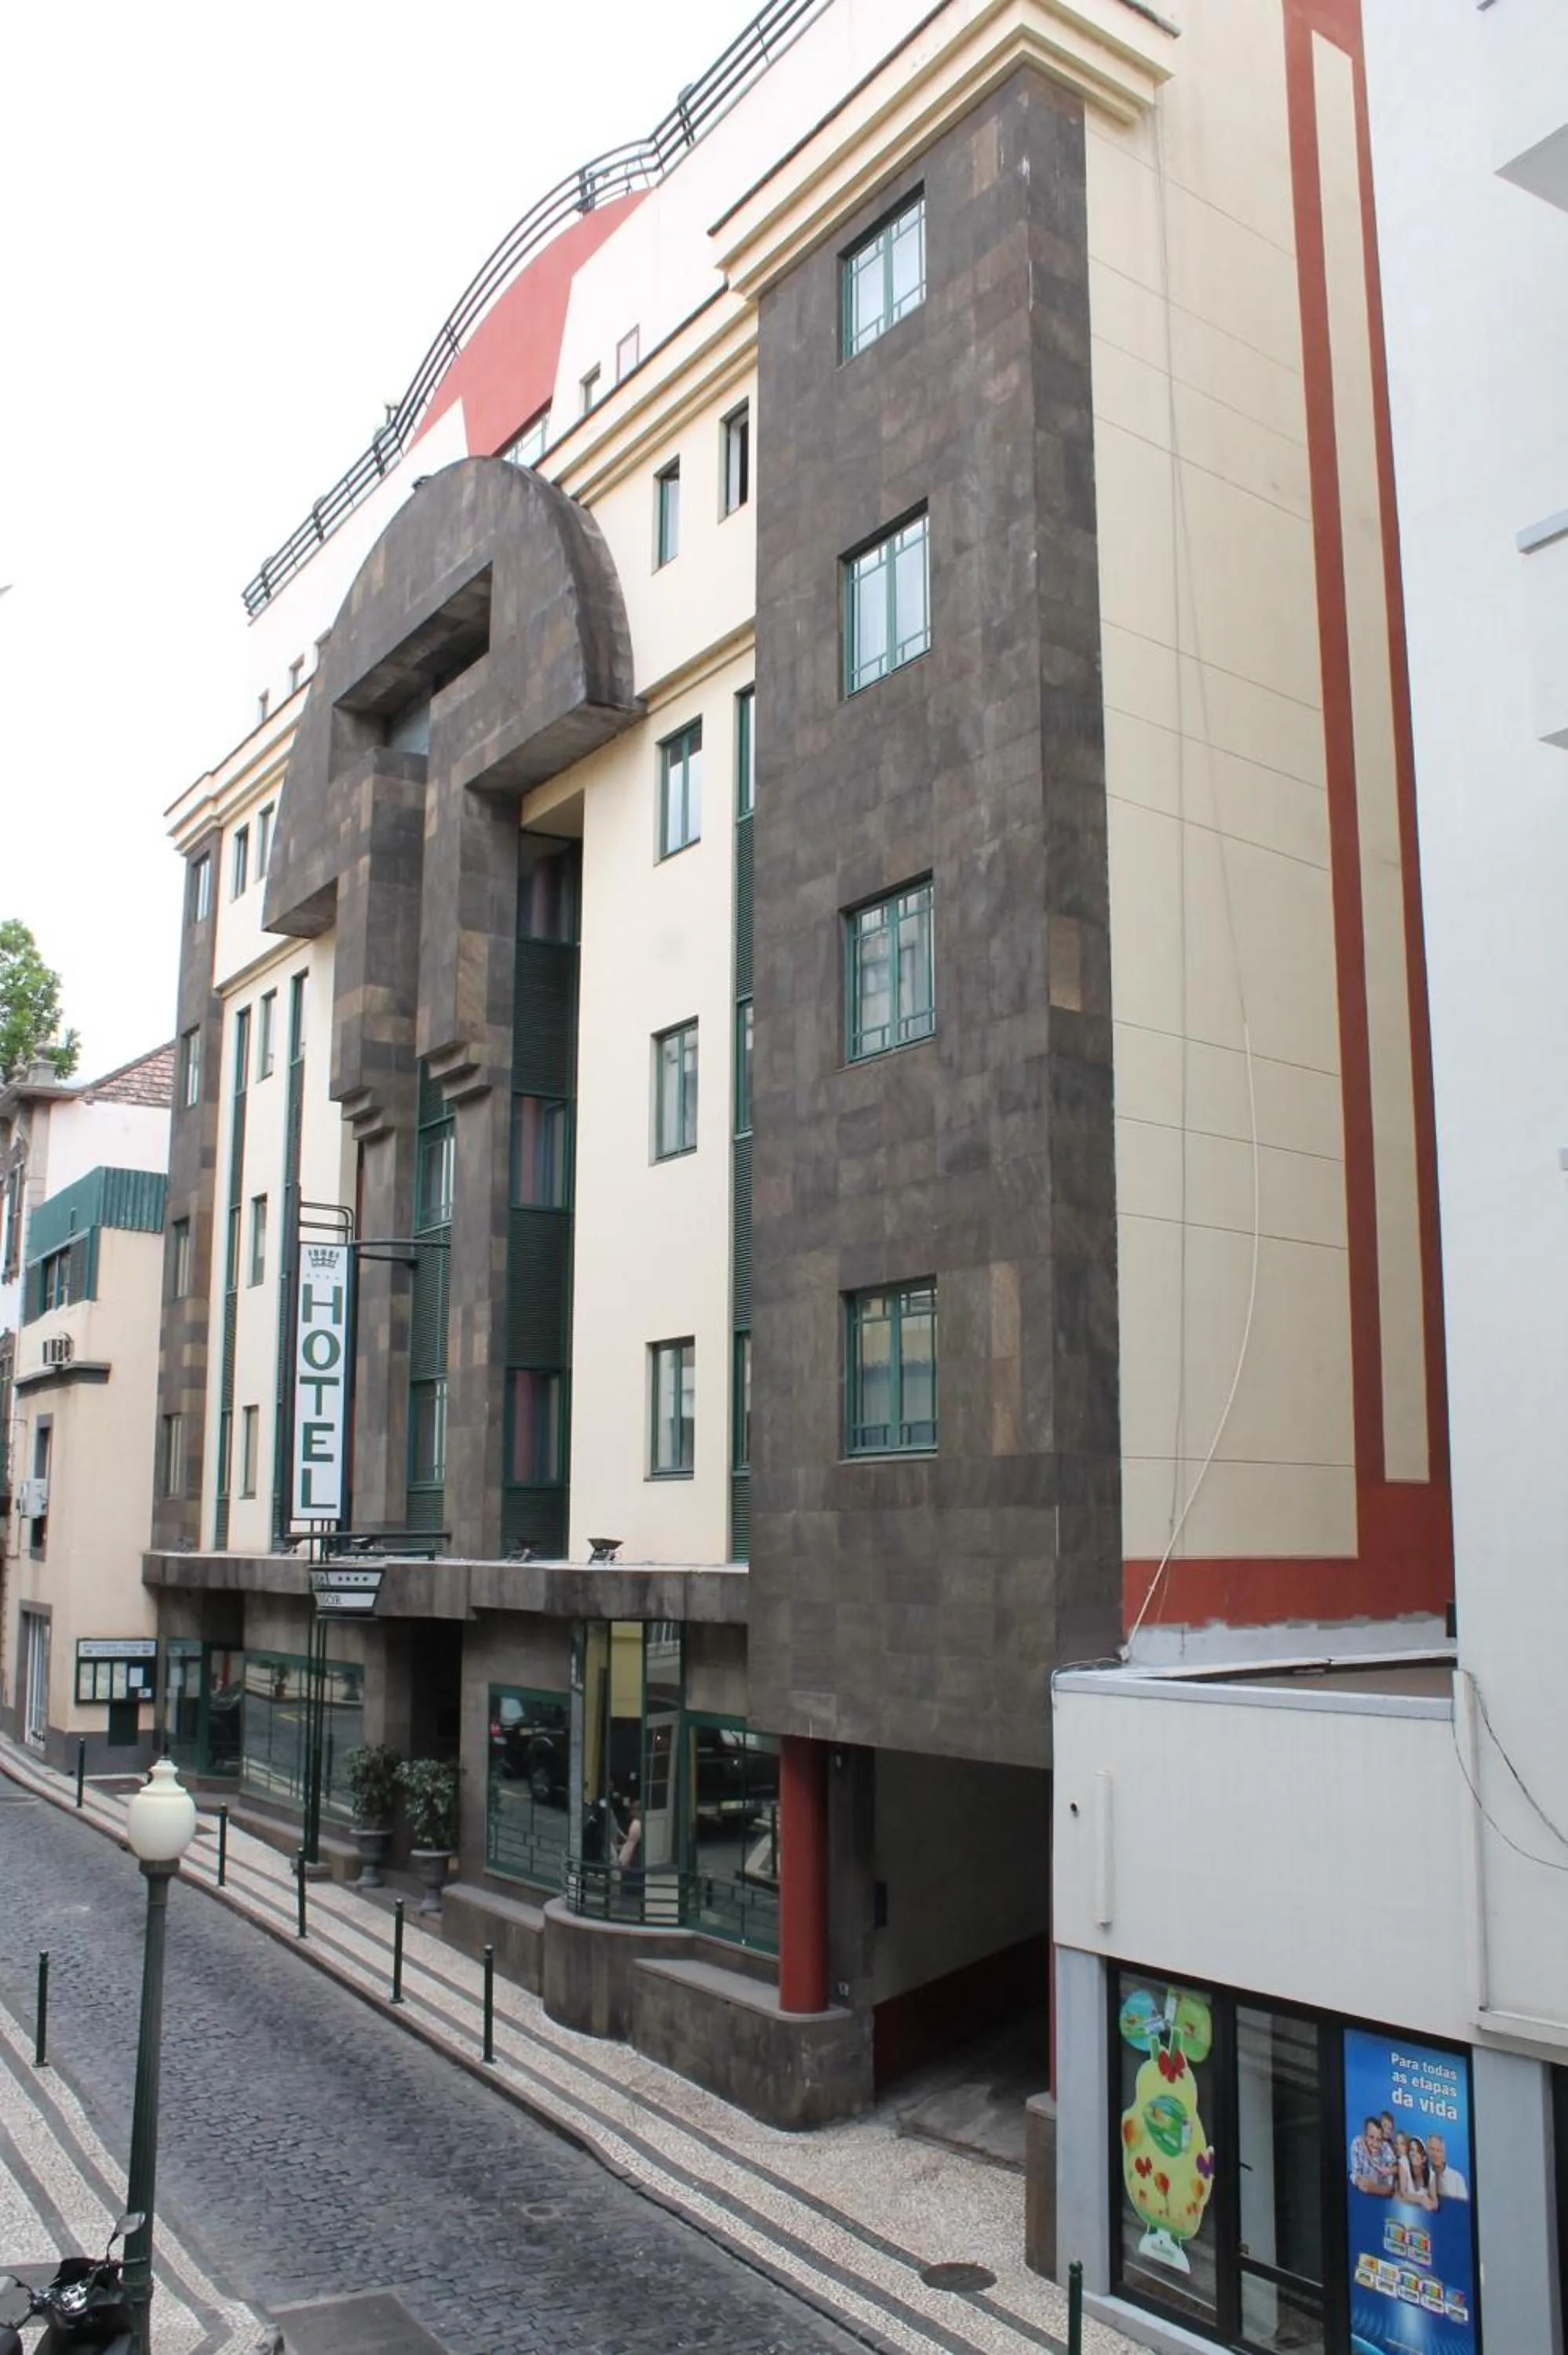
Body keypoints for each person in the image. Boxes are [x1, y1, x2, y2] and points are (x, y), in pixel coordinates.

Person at [1350, 2116, 1396, 2196]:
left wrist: (1373, 2189)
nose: (1374, 2144)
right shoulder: (1357, 2144)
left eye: (1378, 2140)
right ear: (1365, 2136)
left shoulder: (1387, 2150)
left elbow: (1390, 2189)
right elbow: (1355, 2174)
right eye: (1371, 2137)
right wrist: (1359, 2181)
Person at [1398, 2136, 1439, 2211]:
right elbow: (1403, 2193)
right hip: (1403, 2210)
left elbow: (1435, 2201)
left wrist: (1432, 2205)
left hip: (1421, 2214)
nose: (1414, 2154)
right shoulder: (1404, 2163)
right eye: (1412, 2150)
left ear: (1424, 2158)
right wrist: (1421, 2199)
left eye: (1418, 2151)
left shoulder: (1431, 2174)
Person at [1428, 2134, 1469, 2201]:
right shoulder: (1422, 2176)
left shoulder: (1457, 2179)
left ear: (1444, 2154)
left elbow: (1463, 2208)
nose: (1435, 2154)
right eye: (1432, 2149)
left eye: (1438, 2150)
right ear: (1427, 2152)